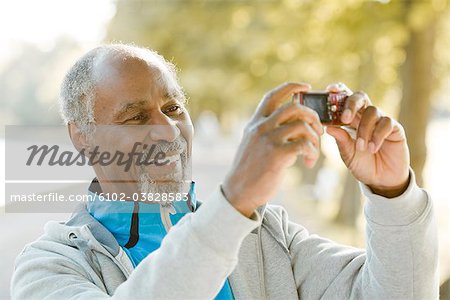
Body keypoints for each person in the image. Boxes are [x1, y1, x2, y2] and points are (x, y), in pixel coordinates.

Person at [11, 44, 438, 299]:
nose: (166, 130)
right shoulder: (50, 267)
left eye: (174, 108)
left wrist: (392, 194)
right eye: (135, 117)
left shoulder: (267, 233)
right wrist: (234, 202)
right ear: (82, 136)